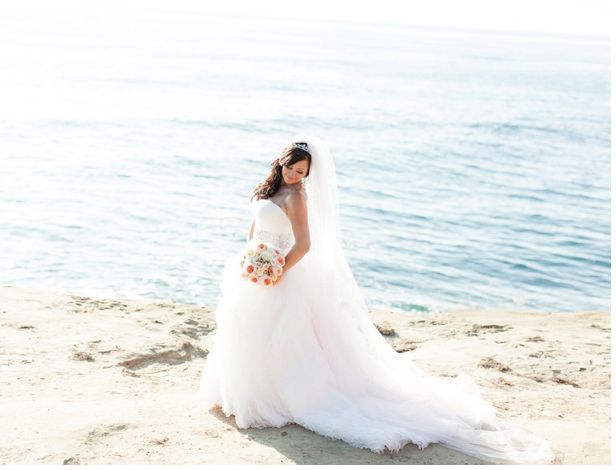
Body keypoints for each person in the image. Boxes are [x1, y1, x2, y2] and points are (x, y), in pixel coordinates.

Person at [198, 134, 555, 464]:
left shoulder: (297, 197)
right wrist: (250, 256)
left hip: (280, 274)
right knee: (244, 332)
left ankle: (279, 397)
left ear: (308, 175)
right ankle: (242, 392)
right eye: (290, 168)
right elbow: (256, 226)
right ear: (281, 163)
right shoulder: (268, 188)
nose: (293, 175)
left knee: (280, 340)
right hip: (253, 269)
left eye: (301, 172)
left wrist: (277, 271)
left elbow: (305, 245)